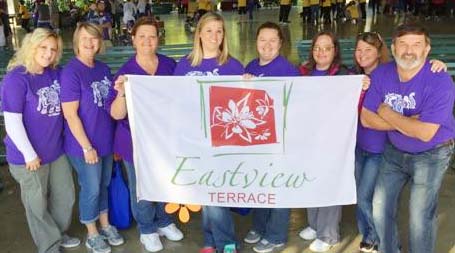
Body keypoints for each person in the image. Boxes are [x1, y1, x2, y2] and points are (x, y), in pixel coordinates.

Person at [360, 23, 455, 253]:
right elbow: (365, 118)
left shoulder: (439, 80)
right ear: (393, 48)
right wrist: (411, 122)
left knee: (419, 216)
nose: (408, 50)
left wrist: (387, 112)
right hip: (394, 152)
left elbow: (425, 133)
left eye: (416, 44)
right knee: (380, 208)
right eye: (403, 44)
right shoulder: (382, 73)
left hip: (432, 153)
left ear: (426, 49)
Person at [106, 16, 184, 253]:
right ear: (133, 39)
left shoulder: (170, 65)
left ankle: (163, 220)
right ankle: (147, 229)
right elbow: (116, 114)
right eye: (142, 36)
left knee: (162, 181)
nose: (147, 41)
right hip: (134, 141)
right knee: (142, 187)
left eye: (152, 36)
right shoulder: (126, 72)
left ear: (158, 39)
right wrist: (121, 92)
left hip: (164, 139)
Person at [1, 28, 80, 253]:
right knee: (37, 204)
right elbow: (13, 122)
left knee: (65, 196)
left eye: (53, 49)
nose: (48, 53)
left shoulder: (55, 73)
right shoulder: (17, 78)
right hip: (28, 157)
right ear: (31, 46)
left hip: (55, 151)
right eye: (43, 47)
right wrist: (29, 154)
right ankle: (49, 245)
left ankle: (58, 233)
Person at [174, 12, 244, 253]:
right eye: (209, 30)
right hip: (194, 139)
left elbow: (243, 106)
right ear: (199, 34)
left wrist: (250, 84)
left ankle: (225, 243)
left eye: (219, 31)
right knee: (206, 192)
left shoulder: (233, 66)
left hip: (223, 141)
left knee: (217, 192)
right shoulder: (184, 65)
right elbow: (173, 100)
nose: (215, 36)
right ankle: (210, 240)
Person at [60, 22, 124, 253]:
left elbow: (110, 108)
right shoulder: (71, 72)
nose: (90, 42)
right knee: (91, 188)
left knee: (104, 185)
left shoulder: (103, 69)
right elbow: (70, 114)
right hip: (83, 145)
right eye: (85, 38)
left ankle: (105, 225)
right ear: (76, 41)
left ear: (100, 42)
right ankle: (92, 233)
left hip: (105, 141)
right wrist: (87, 147)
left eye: (94, 38)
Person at [242, 22, 299, 253]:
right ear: (256, 42)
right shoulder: (251, 66)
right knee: (259, 184)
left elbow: (297, 106)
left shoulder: (288, 70)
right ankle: (259, 226)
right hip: (256, 140)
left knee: (277, 189)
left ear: (280, 44)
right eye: (262, 40)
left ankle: (276, 235)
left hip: (279, 141)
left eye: (272, 40)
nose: (267, 45)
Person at [298, 31, 351, 253]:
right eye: (317, 48)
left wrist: (363, 83)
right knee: (311, 181)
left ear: (334, 50)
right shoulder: (304, 72)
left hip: (333, 141)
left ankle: (328, 234)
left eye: (327, 48)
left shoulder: (345, 75)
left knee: (330, 185)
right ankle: (314, 224)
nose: (321, 52)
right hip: (308, 140)